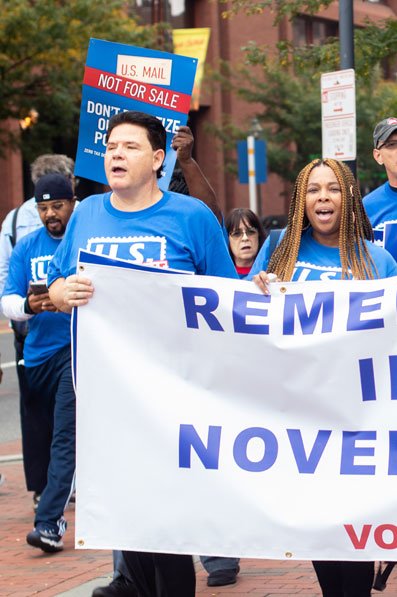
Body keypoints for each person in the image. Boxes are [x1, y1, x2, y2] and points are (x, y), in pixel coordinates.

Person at [48, 110, 237, 597]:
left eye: (130, 147)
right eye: (111, 146)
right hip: (107, 393)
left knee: (167, 519)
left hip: (175, 391)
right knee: (130, 513)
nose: (116, 154)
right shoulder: (87, 212)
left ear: (158, 159)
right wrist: (60, 292)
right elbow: (56, 281)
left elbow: (226, 296)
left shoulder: (191, 217)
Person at [251, 158, 397, 596]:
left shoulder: (377, 258)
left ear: (349, 196)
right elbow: (247, 325)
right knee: (320, 532)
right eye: (313, 190)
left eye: (333, 188)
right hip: (302, 418)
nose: (323, 198)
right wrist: (255, 289)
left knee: (350, 531)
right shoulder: (278, 254)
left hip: (358, 416)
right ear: (300, 200)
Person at [1, 173, 76, 552]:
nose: (51, 214)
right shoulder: (26, 247)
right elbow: (7, 301)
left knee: (65, 438)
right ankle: (51, 500)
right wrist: (29, 306)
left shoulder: (84, 242)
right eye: (43, 208)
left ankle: (48, 524)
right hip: (36, 356)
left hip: (75, 354)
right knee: (44, 438)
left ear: (72, 202)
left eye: (57, 206)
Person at [225, 208, 266, 280]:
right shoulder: (218, 277)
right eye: (236, 233)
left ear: (259, 236)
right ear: (227, 239)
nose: (245, 238)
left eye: (251, 232)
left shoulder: (274, 273)